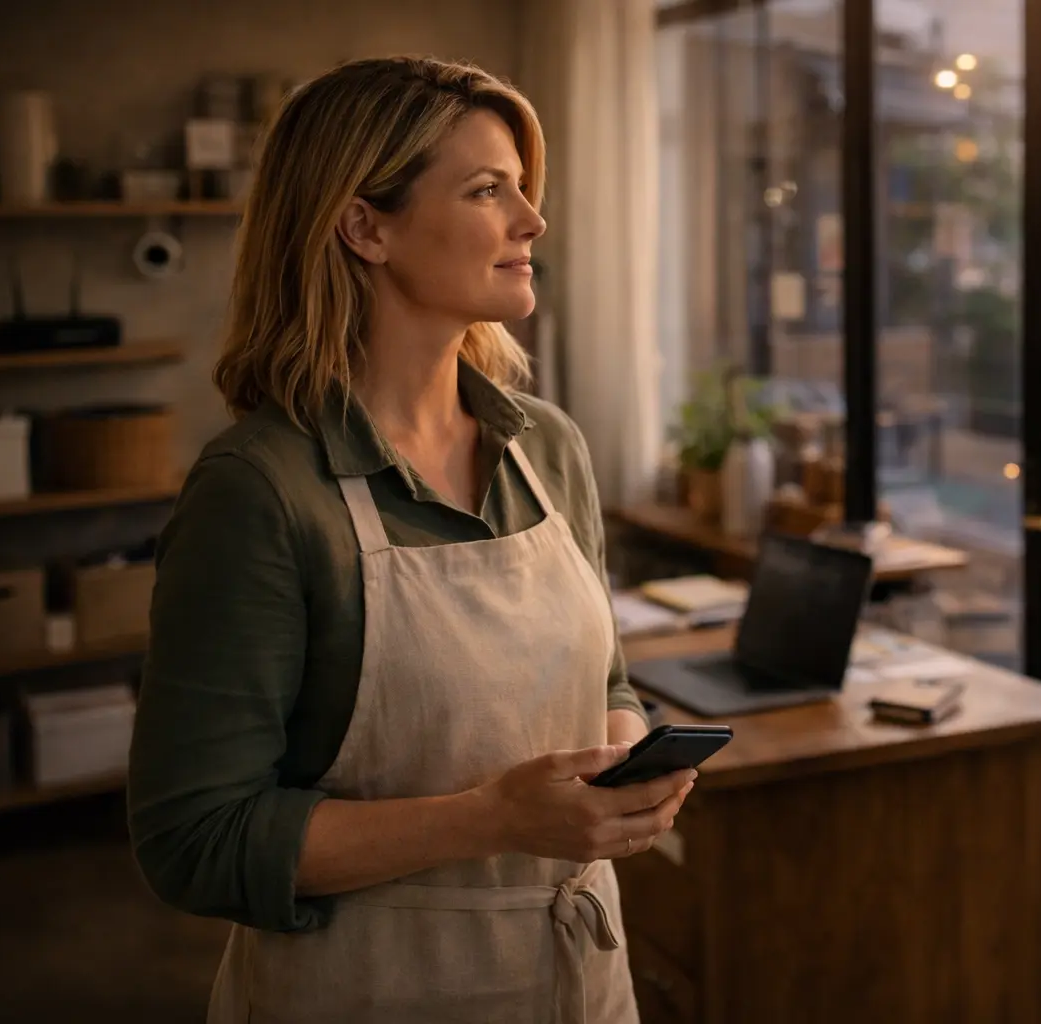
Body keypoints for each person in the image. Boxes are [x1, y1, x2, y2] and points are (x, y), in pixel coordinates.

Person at [127, 56, 695, 1024]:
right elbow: (198, 839)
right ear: (364, 225)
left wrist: (627, 753)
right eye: (487, 190)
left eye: (524, 187)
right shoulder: (261, 491)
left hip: (579, 983)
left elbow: (604, 681)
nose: (532, 220)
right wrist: (496, 818)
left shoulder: (545, 445)